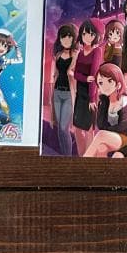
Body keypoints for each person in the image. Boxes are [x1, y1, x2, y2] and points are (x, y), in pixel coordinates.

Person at [83, 64, 127, 158]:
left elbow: (122, 127)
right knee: (101, 148)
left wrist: (107, 131)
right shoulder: (104, 101)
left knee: (101, 135)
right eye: (101, 83)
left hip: (125, 139)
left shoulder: (124, 100)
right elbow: (100, 124)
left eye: (110, 81)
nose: (105, 86)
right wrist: (102, 104)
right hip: (109, 137)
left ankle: (83, 162)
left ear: (118, 83)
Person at [71, 18, 103, 154]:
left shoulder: (97, 51)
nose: (87, 37)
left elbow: (94, 77)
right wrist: (84, 78)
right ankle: (81, 155)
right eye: (84, 34)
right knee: (77, 128)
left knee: (89, 129)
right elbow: (75, 74)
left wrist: (92, 99)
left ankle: (88, 157)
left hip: (91, 94)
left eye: (91, 34)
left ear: (96, 36)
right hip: (80, 94)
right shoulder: (80, 53)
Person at [49, 24, 77, 156]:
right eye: (63, 37)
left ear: (73, 39)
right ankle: (64, 155)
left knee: (63, 128)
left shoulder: (76, 55)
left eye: (69, 37)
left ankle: (68, 157)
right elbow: (54, 75)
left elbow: (79, 74)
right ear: (59, 39)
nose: (66, 40)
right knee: (59, 128)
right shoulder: (58, 55)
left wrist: (73, 74)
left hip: (68, 94)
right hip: (57, 93)